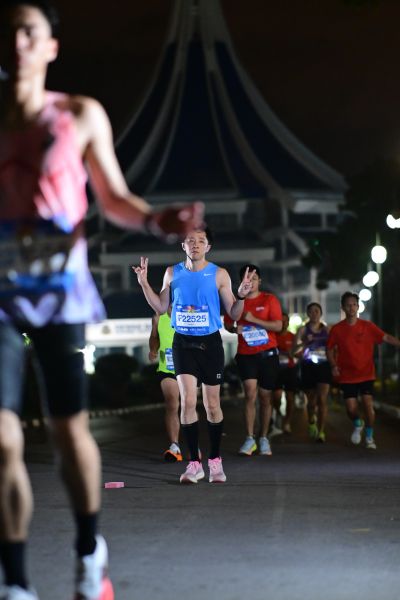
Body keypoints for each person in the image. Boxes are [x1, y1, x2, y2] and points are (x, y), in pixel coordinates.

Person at [0, 2, 204, 599]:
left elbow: (113, 198)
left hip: (59, 296)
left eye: (30, 31)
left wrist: (158, 221)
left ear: (50, 47)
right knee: (3, 439)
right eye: (8, 31)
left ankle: (90, 554)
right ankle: (16, 583)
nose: (17, 41)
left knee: (68, 433)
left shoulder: (78, 115)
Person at [133, 228, 254, 484]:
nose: (195, 244)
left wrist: (242, 295)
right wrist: (144, 283)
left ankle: (215, 461)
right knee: (188, 402)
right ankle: (194, 464)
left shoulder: (219, 274)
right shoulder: (172, 273)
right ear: (183, 246)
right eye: (190, 240)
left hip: (210, 343)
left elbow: (233, 313)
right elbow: (160, 307)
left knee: (212, 405)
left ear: (208, 247)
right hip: (183, 343)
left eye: (201, 241)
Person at [327, 291, 400, 450]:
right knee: (351, 409)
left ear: (358, 306)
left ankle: (369, 436)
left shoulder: (368, 326)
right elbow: (329, 349)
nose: (352, 308)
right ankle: (357, 423)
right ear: (343, 308)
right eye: (348, 305)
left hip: (366, 374)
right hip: (347, 376)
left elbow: (386, 337)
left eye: (354, 304)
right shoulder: (337, 329)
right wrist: (333, 365)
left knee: (368, 404)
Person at [224, 265, 282, 457]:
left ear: (260, 281)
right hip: (246, 354)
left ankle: (263, 437)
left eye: (254, 278)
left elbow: (278, 326)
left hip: (268, 354)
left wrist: (255, 320)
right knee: (249, 394)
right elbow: (227, 324)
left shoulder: (269, 299)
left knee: (265, 397)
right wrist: (234, 329)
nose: (250, 282)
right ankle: (249, 438)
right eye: (247, 279)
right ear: (242, 281)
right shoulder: (236, 302)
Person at [148, 307, 182, 462]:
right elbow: (154, 337)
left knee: (189, 405)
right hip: (167, 367)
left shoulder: (187, 312)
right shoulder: (158, 318)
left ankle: (193, 443)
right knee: (172, 403)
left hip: (188, 367)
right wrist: (153, 349)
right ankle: (175, 446)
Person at [294, 302, 331, 443]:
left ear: (321, 313)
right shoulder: (303, 330)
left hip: (324, 366)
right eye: (311, 311)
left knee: (322, 400)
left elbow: (334, 347)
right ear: (307, 314)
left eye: (317, 311)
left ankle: (321, 432)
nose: (314, 313)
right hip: (308, 366)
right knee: (311, 401)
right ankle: (311, 421)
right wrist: (304, 343)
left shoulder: (327, 330)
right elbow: (293, 350)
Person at [273, 313, 299, 434]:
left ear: (288, 323)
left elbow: (300, 353)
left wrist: (293, 353)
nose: (283, 324)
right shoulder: (272, 336)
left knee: (290, 398)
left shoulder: (293, 337)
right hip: (276, 370)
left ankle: (287, 422)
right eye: (281, 321)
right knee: (276, 397)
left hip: (290, 369)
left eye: (285, 321)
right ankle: (278, 411)